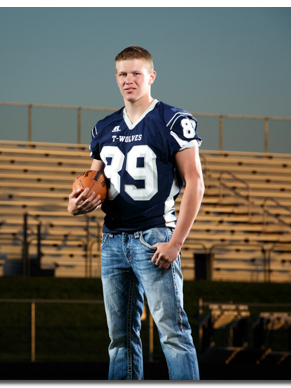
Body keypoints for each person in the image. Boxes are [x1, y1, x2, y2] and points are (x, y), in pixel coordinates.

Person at [67, 46, 204, 380]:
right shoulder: (104, 127)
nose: (129, 80)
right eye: (123, 74)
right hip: (112, 240)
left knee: (173, 333)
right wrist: (73, 204)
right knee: (120, 340)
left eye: (136, 73)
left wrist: (175, 243)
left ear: (151, 77)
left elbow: (195, 183)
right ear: (116, 78)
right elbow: (92, 182)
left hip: (154, 238)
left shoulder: (172, 119)